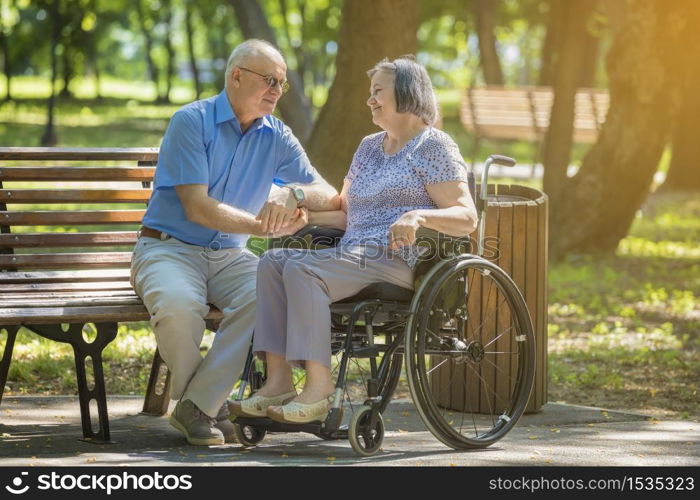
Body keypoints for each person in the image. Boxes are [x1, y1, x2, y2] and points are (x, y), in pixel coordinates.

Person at [229, 56, 478, 424]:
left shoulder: (434, 146)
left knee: (303, 270)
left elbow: (467, 218)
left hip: (398, 259)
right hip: (353, 254)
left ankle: (318, 391)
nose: (370, 100)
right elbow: (347, 214)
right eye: (370, 92)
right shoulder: (368, 147)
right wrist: (301, 218)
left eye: (378, 91)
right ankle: (278, 382)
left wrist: (417, 215)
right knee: (272, 262)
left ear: (408, 92)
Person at [130, 39, 339, 445]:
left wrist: (293, 193)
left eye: (282, 84)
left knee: (269, 294)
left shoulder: (278, 135)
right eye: (269, 80)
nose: (277, 91)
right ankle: (207, 405)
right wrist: (266, 228)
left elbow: (329, 194)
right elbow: (198, 208)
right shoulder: (191, 121)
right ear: (236, 76)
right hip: (167, 248)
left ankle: (196, 407)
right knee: (178, 308)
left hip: (231, 255)